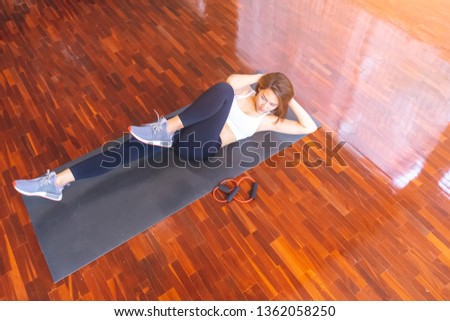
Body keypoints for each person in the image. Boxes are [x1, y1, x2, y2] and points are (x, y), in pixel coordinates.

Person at [13, 72, 318, 201]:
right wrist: (265, 76)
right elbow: (231, 81)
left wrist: (287, 97)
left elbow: (308, 127)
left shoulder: (267, 120)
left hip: (201, 147)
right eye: (265, 95)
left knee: (222, 92)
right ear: (261, 87)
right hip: (186, 131)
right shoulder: (244, 91)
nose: (264, 103)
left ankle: (166, 128)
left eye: (271, 103)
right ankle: (56, 183)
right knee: (126, 150)